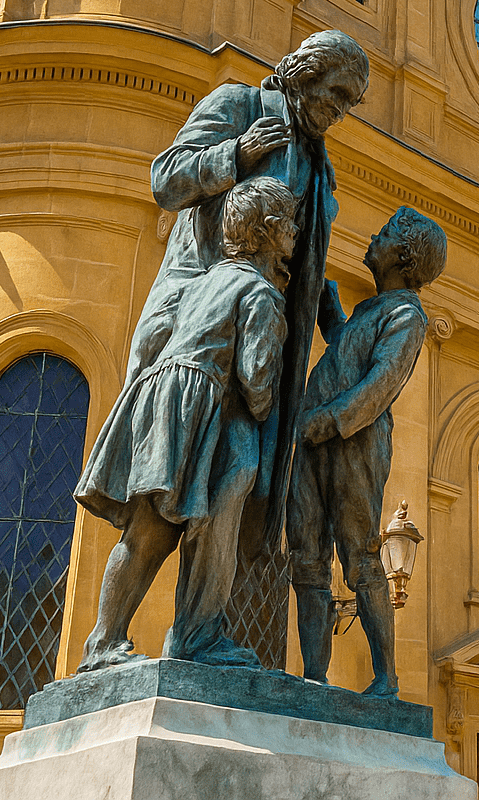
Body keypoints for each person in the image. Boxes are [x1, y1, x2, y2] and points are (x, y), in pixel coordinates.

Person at [130, 29, 368, 555]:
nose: (340, 113)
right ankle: (107, 637)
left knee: (239, 476)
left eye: (349, 104)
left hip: (263, 333)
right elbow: (165, 180)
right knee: (164, 482)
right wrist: (234, 154)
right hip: (203, 316)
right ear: (306, 77)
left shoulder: (319, 164)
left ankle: (199, 634)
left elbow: (305, 259)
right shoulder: (239, 104)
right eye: (336, 95)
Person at [76, 178, 295, 670]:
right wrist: (266, 408)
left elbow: (161, 335)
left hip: (162, 401)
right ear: (273, 230)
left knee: (148, 529)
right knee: (219, 509)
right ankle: (197, 634)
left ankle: (103, 640)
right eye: (293, 228)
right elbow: (256, 379)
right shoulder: (260, 292)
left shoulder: (204, 280)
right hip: (204, 405)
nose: (297, 238)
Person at [287, 207, 447, 696]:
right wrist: (330, 312)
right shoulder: (371, 311)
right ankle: (314, 677)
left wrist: (327, 420)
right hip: (315, 438)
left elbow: (379, 386)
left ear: (401, 256)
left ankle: (386, 681)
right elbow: (347, 352)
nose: (372, 237)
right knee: (307, 557)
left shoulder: (407, 316)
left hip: (354, 444)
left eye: (382, 234)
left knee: (359, 557)